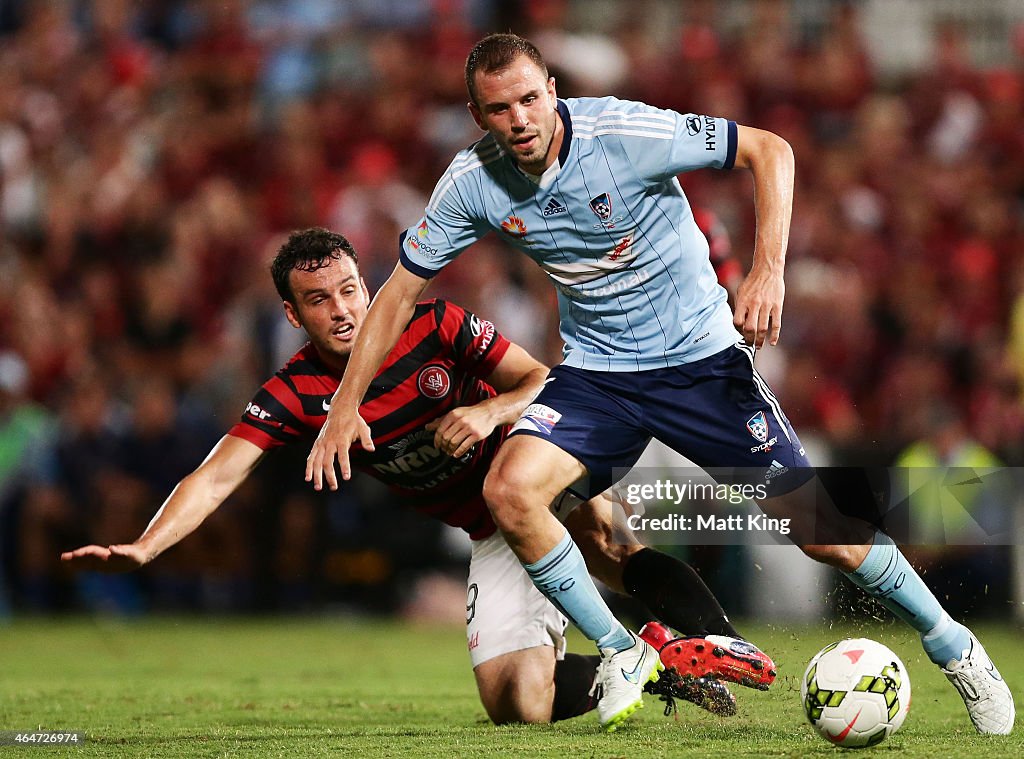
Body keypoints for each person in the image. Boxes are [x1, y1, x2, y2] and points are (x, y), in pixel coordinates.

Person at [306, 34, 1014, 735]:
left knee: (823, 532)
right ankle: (623, 652)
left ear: (552, 89)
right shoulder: (472, 182)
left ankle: (955, 644)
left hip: (700, 365)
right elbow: (396, 295)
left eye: (529, 98)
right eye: (499, 108)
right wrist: (344, 407)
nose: (519, 119)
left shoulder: (626, 131)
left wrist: (769, 267)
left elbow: (772, 150)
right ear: (476, 114)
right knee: (509, 491)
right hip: (597, 375)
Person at [62, 227, 776, 726]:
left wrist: (489, 410)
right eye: (320, 300)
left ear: (365, 283)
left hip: (531, 468)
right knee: (514, 702)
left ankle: (730, 649)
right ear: (292, 311)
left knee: (600, 535)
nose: (343, 309)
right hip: (489, 526)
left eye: (349, 289)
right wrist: (148, 546)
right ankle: (660, 662)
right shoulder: (294, 390)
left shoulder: (433, 326)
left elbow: (543, 379)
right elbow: (215, 476)